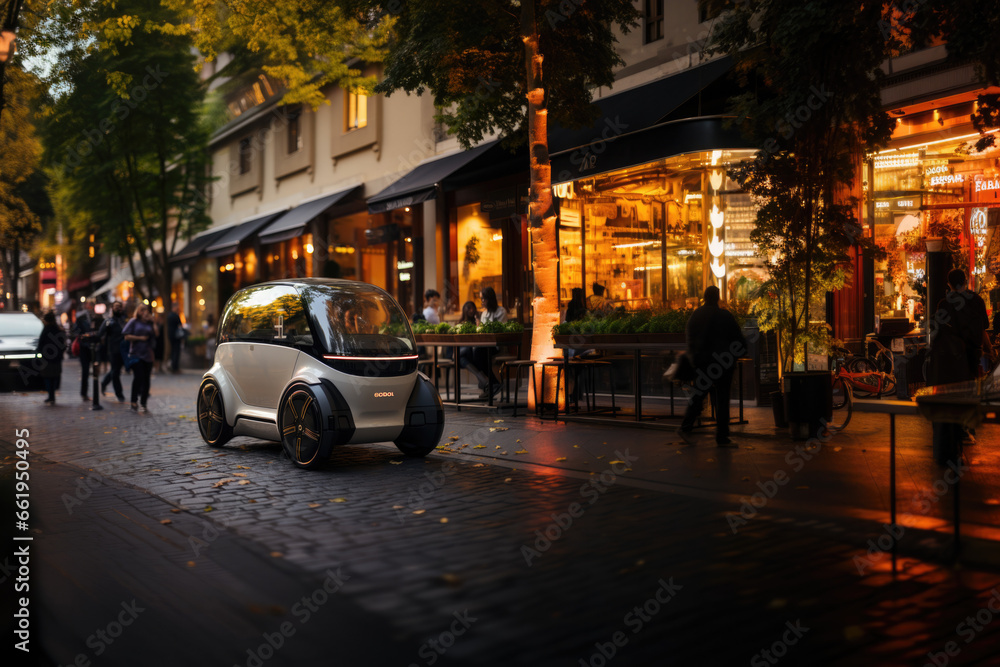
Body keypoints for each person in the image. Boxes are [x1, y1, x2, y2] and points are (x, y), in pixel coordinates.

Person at [927, 269, 991, 465]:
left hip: (952, 359)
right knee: (969, 390)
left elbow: (936, 332)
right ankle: (965, 429)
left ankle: (954, 436)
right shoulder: (977, 301)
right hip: (972, 355)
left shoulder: (944, 304)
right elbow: (983, 330)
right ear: (965, 281)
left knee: (951, 393)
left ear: (949, 284)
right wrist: (989, 350)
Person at [679, 285, 747, 447]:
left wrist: (694, 359)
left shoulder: (696, 315)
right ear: (717, 297)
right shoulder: (724, 316)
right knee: (722, 400)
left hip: (702, 363)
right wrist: (739, 353)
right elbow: (738, 338)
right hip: (722, 363)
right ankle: (722, 437)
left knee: (698, 396)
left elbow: (690, 338)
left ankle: (686, 427)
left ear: (704, 297)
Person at [473, 287, 507, 398]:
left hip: (497, 346)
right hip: (485, 345)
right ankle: (491, 383)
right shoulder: (484, 313)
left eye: (484, 299)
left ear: (490, 299)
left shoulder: (500, 311)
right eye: (481, 299)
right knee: (473, 353)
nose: (482, 302)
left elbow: (500, 330)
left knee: (478, 353)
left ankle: (490, 383)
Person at [123, 304, 157, 412]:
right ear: (138, 311)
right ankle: (133, 401)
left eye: (146, 310)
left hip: (148, 354)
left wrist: (153, 322)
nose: (144, 312)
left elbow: (157, 334)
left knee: (147, 379)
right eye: (142, 310)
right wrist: (140, 338)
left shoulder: (150, 323)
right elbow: (126, 335)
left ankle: (144, 402)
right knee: (138, 377)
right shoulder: (134, 321)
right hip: (136, 354)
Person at [34, 311, 67, 405]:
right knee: (54, 377)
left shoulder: (45, 330)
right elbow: (63, 344)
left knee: (47, 378)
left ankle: (51, 396)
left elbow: (40, 344)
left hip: (46, 358)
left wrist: (39, 354)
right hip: (56, 358)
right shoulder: (58, 330)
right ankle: (52, 396)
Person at [98, 301, 127, 402]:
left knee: (116, 370)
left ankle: (104, 383)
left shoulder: (123, 320)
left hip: (124, 350)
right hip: (113, 350)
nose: (118, 308)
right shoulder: (108, 321)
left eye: (119, 307)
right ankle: (119, 394)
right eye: (116, 306)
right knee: (115, 372)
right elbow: (100, 333)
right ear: (112, 308)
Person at [72, 299, 97, 401]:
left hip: (93, 347)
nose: (90, 306)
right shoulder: (81, 318)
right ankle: (84, 393)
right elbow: (75, 331)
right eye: (88, 304)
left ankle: (94, 393)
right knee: (85, 370)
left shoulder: (94, 317)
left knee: (95, 370)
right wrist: (82, 336)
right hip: (84, 346)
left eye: (91, 305)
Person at [166, 303, 184, 373]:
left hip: (171, 335)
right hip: (176, 336)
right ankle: (175, 367)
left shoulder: (169, 315)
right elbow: (180, 324)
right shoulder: (176, 315)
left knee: (173, 351)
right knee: (176, 352)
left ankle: (173, 367)